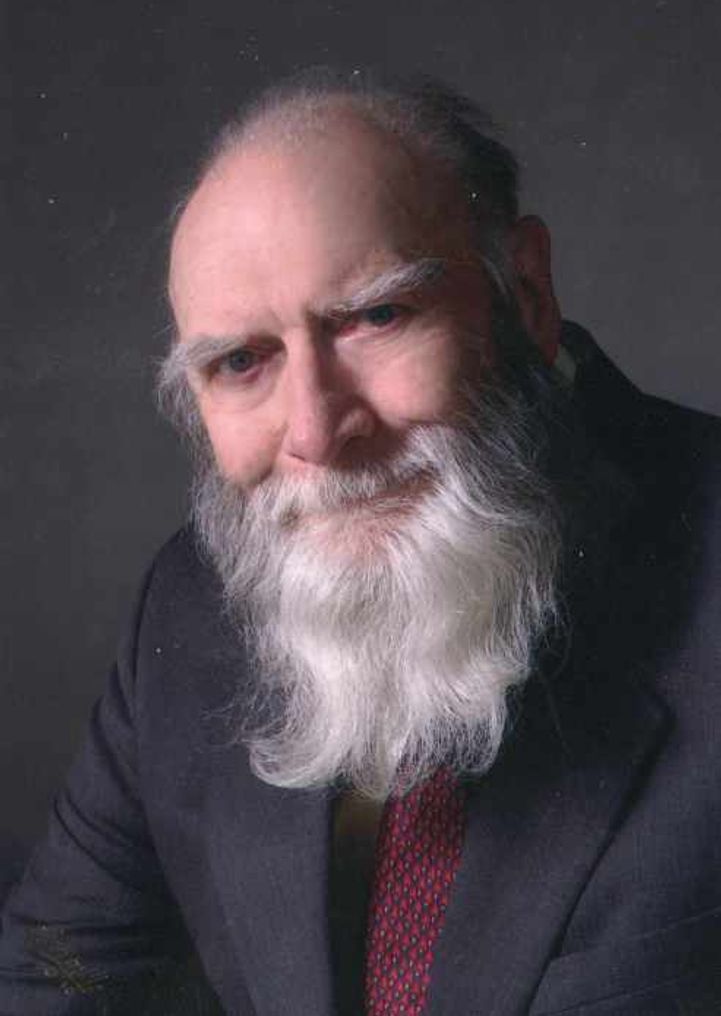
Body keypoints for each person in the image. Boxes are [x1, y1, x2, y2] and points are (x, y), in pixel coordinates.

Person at [2, 69, 721, 1016]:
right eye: (240, 362)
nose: (315, 431)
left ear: (525, 293)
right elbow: (58, 950)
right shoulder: (187, 605)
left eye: (377, 317)